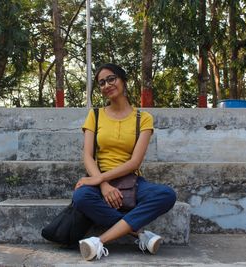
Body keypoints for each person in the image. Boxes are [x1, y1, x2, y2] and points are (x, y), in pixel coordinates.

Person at [73, 63, 176, 261]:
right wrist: (102, 184)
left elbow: (135, 162)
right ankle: (139, 235)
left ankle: (99, 241)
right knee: (81, 197)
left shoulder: (143, 118)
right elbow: (87, 156)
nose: (106, 85)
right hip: (99, 178)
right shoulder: (95, 115)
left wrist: (100, 179)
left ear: (123, 81)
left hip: (131, 180)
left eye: (111, 79)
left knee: (166, 195)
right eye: (101, 83)